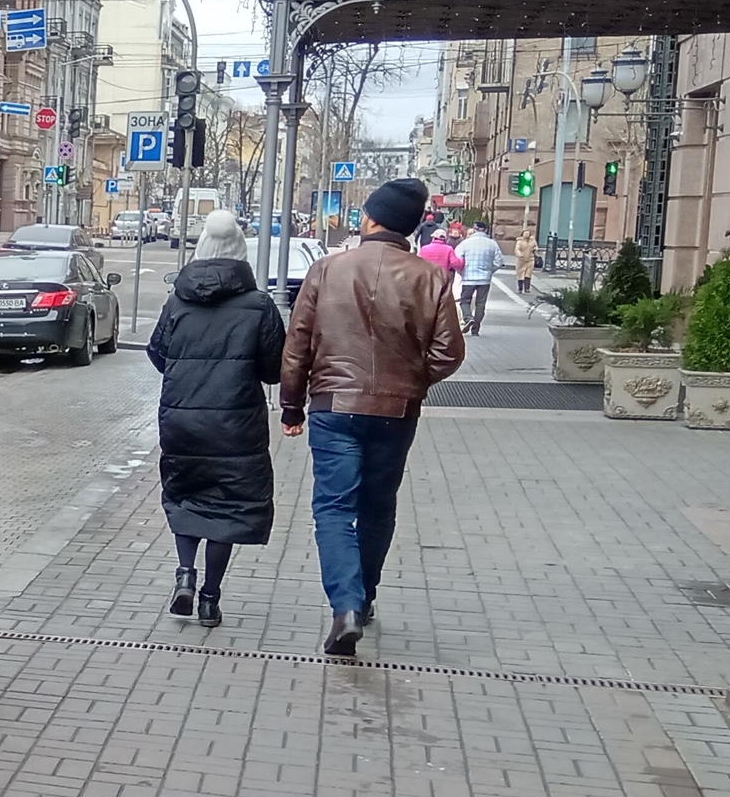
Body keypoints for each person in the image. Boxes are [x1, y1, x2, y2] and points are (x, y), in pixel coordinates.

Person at [280, 179, 466, 656]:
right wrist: (411, 383)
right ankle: (363, 603)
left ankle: (345, 606)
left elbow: (297, 346)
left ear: (370, 219)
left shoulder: (327, 270)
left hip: (333, 409)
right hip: (396, 412)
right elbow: (448, 353)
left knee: (334, 508)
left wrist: (292, 405)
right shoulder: (430, 278)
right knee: (378, 506)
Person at [147, 212, 286, 628]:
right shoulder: (258, 305)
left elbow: (157, 352)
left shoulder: (178, 300)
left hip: (182, 421)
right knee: (227, 508)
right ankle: (210, 597)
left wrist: (186, 375)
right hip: (235, 427)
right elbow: (274, 369)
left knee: (186, 495)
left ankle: (185, 572)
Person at [455, 220, 505, 336]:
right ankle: (475, 329)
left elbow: (456, 260)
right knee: (480, 304)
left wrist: (461, 272)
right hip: (484, 279)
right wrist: (490, 271)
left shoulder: (465, 243)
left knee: (465, 301)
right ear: (486, 230)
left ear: (474, 229)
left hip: (468, 277)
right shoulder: (492, 243)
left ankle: (468, 318)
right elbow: (499, 261)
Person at [513, 226, 537, 297]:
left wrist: (535, 249)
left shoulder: (532, 240)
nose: (526, 235)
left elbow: (536, 246)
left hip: (530, 259)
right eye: (525, 233)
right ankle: (520, 288)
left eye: (527, 233)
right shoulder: (519, 241)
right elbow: (517, 249)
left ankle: (527, 288)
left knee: (528, 274)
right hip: (521, 260)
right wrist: (519, 254)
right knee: (520, 274)